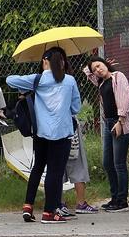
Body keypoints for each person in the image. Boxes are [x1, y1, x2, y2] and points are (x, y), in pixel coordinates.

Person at [8, 47, 81, 224]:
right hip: (62, 134)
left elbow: (11, 80)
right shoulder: (70, 80)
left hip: (41, 133)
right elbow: (76, 108)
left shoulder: (38, 80)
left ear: (45, 62)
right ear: (62, 62)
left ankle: (28, 206)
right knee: (55, 173)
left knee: (38, 167)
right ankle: (49, 212)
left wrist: (31, 85)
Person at [85, 56, 129, 212]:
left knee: (118, 163)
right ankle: (114, 197)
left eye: (99, 66)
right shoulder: (101, 81)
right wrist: (92, 67)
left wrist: (120, 121)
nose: (98, 70)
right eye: (95, 69)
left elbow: (124, 99)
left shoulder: (117, 77)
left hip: (120, 121)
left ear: (105, 63)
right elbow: (87, 72)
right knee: (107, 162)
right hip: (108, 123)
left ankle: (122, 200)